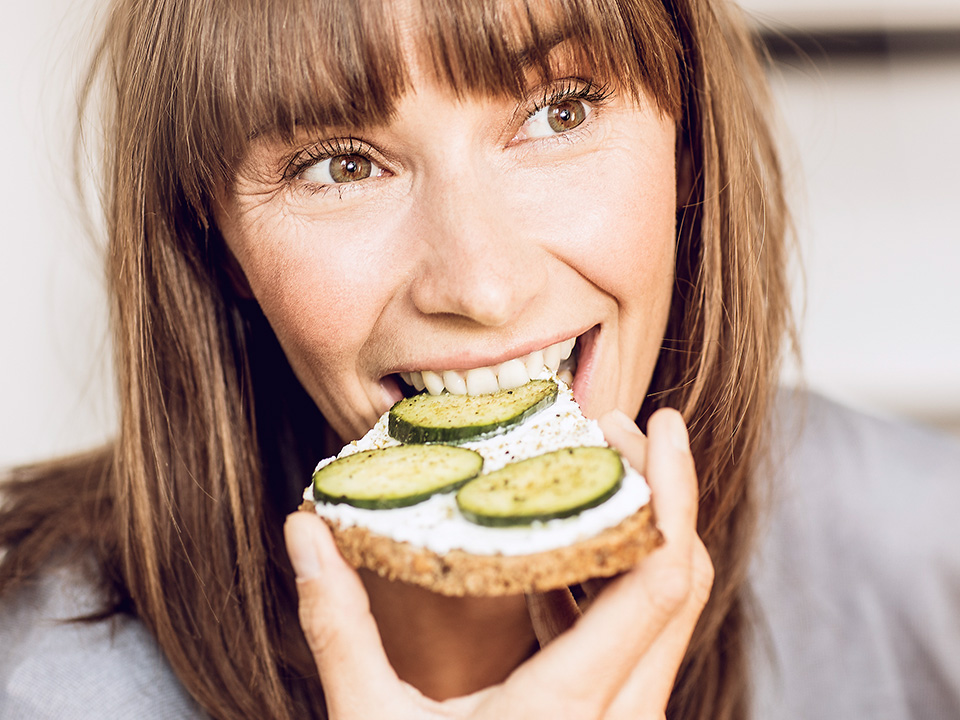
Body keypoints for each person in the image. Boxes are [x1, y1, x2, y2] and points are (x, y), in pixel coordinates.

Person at [1, 0, 957, 718]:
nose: (482, 286)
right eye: (341, 166)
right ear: (217, 245)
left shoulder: (925, 556)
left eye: (561, 112)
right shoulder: (42, 676)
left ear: (689, 145)